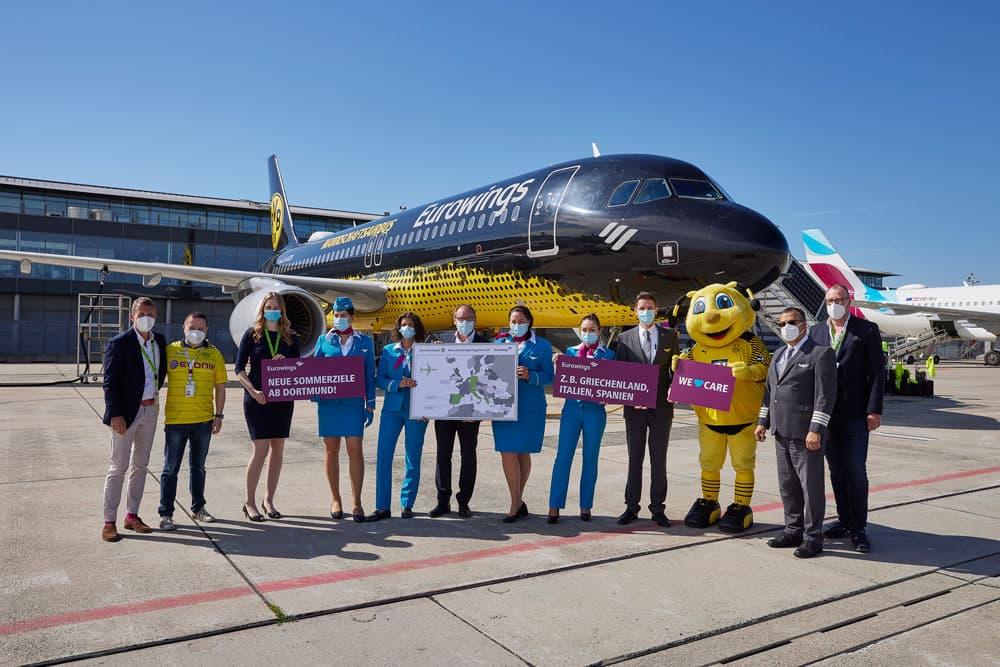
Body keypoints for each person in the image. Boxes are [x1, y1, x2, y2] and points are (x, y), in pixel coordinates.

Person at [755, 307, 837, 558]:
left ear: (804, 325)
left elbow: (825, 397)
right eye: (781, 323)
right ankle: (793, 529)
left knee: (810, 488)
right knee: (788, 486)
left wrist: (816, 429)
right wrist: (763, 421)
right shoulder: (778, 354)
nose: (786, 327)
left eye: (791, 322)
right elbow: (771, 393)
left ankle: (813, 537)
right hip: (781, 432)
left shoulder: (820, 354)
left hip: (806, 435)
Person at [809, 284, 885, 553]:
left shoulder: (866, 330)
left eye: (839, 299)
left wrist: (874, 409)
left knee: (855, 470)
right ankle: (843, 520)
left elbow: (877, 372)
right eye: (830, 300)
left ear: (849, 301)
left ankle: (859, 527)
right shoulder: (816, 331)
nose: (834, 304)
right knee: (837, 471)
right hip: (825, 415)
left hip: (855, 413)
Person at [100, 297, 168, 542]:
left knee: (140, 466)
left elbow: (160, 373)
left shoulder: (159, 341)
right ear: (132, 316)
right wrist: (115, 413)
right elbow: (110, 382)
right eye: (141, 314)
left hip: (150, 410)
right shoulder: (120, 343)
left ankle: (132, 515)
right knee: (118, 467)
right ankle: (109, 521)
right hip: (125, 414)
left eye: (150, 314)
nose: (146, 318)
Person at [612, 292, 679, 527]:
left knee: (659, 460)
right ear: (635, 310)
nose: (646, 311)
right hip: (635, 409)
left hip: (661, 407)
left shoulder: (670, 336)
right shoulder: (624, 338)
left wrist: (676, 389)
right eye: (642, 307)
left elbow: (675, 370)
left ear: (656, 308)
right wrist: (630, 397)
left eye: (650, 307)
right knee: (634, 459)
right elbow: (620, 374)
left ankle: (658, 508)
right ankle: (631, 506)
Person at [158, 312, 228, 530]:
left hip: (203, 421)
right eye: (191, 327)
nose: (195, 331)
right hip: (176, 421)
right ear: (183, 328)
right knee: (170, 469)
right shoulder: (171, 350)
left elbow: (220, 387)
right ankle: (166, 514)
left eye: (200, 328)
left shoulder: (214, 354)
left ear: (207, 330)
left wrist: (218, 415)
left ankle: (198, 508)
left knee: (198, 467)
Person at [234, 293, 301, 522]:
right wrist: (253, 391)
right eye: (268, 307)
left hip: (282, 401)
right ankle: (249, 502)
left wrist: (287, 363)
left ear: (282, 311)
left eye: (276, 307)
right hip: (257, 399)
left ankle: (268, 500)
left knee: (277, 450)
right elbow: (239, 369)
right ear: (262, 310)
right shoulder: (252, 335)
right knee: (260, 450)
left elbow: (298, 370)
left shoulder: (291, 337)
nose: (272, 310)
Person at [313, 297, 376, 522]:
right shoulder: (323, 340)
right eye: (336, 315)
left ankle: (357, 502)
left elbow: (369, 374)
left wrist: (371, 404)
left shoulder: (365, 342)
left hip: (352, 404)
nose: (339, 319)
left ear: (352, 317)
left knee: (355, 449)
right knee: (331, 450)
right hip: (329, 404)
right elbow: (314, 372)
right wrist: (315, 394)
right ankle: (335, 499)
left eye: (343, 315)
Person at [547, 314, 614, 524]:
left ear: (599, 331)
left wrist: (608, 395)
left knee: (590, 458)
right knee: (563, 456)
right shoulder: (570, 352)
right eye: (584, 330)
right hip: (572, 410)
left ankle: (586, 505)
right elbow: (562, 380)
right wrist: (557, 365)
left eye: (592, 329)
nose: (588, 333)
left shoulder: (609, 355)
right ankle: (554, 505)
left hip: (595, 411)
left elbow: (615, 384)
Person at [492, 305, 554, 523]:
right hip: (502, 406)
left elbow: (549, 376)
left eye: (520, 321)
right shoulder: (498, 344)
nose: (516, 325)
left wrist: (530, 375)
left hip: (530, 406)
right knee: (507, 451)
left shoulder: (543, 346)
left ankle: (518, 501)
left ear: (529, 322)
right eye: (513, 321)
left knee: (522, 452)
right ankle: (515, 502)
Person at [430, 304, 489, 518]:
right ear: (454, 319)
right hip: (445, 410)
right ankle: (442, 501)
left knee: (468, 456)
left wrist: (481, 410)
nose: (464, 322)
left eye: (469, 318)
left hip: (470, 414)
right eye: (460, 318)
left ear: (475, 320)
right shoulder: (441, 341)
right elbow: (430, 376)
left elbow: (488, 381)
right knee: (442, 455)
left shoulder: (485, 344)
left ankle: (464, 501)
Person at [369, 313, 429, 520]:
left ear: (417, 328)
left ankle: (407, 504)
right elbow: (380, 380)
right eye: (404, 325)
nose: (407, 328)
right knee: (383, 456)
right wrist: (397, 384)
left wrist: (429, 408)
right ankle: (382, 506)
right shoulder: (388, 351)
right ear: (398, 328)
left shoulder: (427, 351)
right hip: (392, 410)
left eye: (411, 325)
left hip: (417, 410)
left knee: (413, 457)